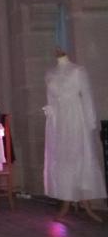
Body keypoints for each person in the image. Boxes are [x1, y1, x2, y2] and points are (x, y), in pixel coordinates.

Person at [44, 48, 106, 222]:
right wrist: (51, 118)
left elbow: (87, 96)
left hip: (76, 118)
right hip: (59, 119)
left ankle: (84, 201)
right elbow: (50, 99)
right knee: (62, 158)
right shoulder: (50, 73)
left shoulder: (78, 70)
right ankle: (66, 198)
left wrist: (90, 122)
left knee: (79, 156)